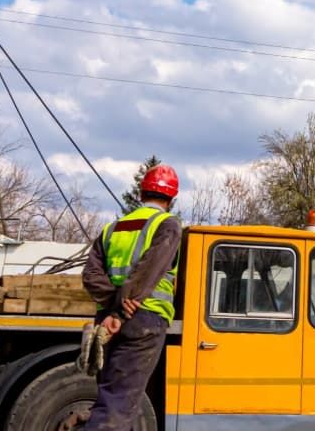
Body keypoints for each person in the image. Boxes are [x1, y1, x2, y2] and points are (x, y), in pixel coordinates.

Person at [81, 163, 181, 430]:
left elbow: (90, 276)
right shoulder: (168, 225)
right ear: (171, 199)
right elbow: (149, 270)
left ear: (141, 193)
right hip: (143, 319)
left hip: (108, 319)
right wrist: (121, 311)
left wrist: (112, 307)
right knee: (118, 406)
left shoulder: (112, 229)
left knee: (109, 397)